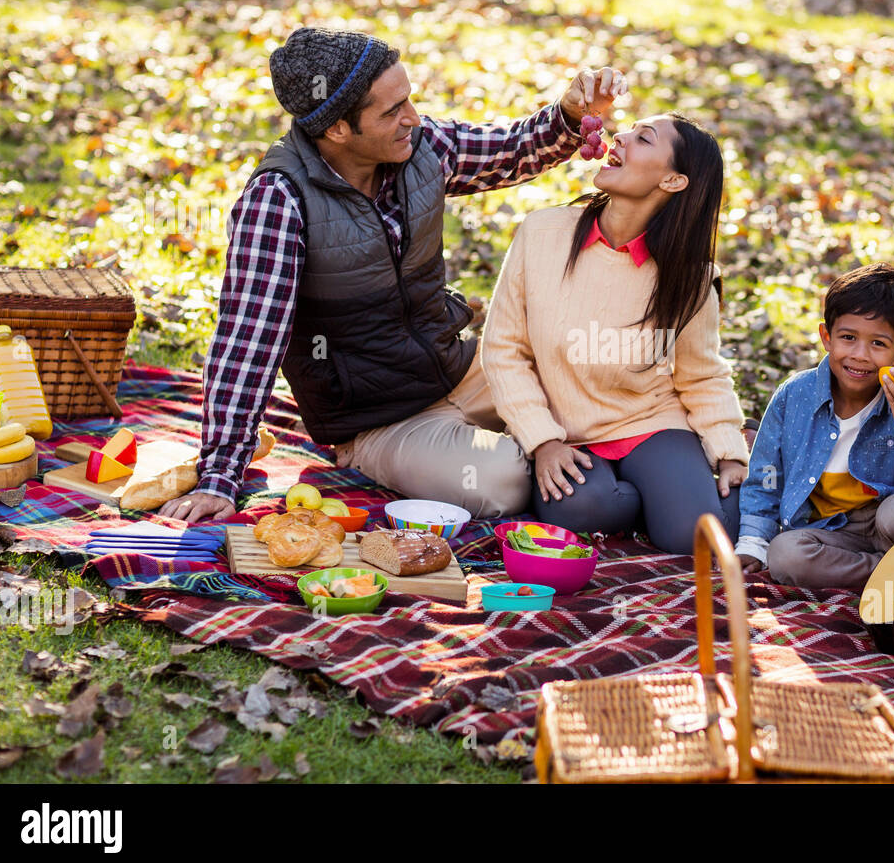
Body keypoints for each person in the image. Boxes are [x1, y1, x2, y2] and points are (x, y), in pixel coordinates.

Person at [160, 26, 626, 523]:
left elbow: (508, 150)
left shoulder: (419, 148)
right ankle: (535, 462)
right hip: (378, 421)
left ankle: (568, 454)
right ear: (337, 128)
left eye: (409, 100)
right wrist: (219, 475)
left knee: (596, 376)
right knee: (502, 482)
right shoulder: (278, 202)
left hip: (457, 369)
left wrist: (570, 116)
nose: (412, 118)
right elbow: (247, 342)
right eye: (391, 111)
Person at [481, 114, 748, 557]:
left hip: (652, 423)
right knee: (584, 508)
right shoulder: (542, 233)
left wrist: (729, 451)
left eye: (643, 139)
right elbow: (504, 351)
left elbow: (702, 376)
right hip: (570, 434)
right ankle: (663, 498)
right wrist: (543, 441)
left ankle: (685, 492)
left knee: (697, 537)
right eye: (628, 130)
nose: (619, 136)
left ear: (674, 180)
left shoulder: (691, 277)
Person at [734, 263, 894, 584]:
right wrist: (753, 542)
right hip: (827, 533)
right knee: (784, 555)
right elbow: (767, 476)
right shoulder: (794, 397)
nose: (860, 354)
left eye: (878, 343)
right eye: (848, 337)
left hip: (889, 524)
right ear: (826, 336)